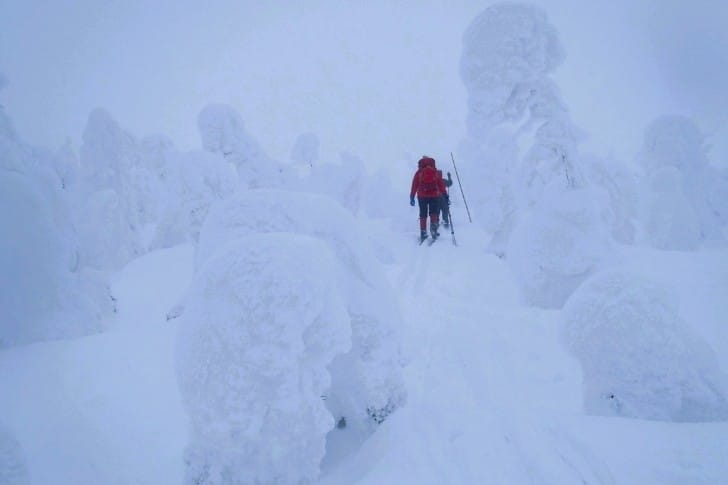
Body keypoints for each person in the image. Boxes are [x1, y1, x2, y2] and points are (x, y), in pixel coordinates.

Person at [410, 156, 446, 241]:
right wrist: (445, 194)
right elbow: (440, 184)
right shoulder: (435, 171)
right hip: (434, 195)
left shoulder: (419, 172)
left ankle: (423, 232)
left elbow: (414, 184)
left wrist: (412, 196)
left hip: (422, 196)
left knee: (423, 213)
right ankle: (434, 230)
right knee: (433, 212)